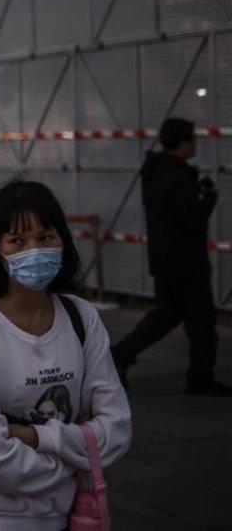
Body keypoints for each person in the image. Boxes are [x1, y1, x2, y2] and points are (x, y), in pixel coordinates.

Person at [0, 179, 131, 531]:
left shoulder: (81, 317)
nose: (35, 250)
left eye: (45, 237)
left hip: (66, 516)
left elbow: (116, 428)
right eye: (17, 241)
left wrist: (38, 437)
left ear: (63, 240)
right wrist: (76, 459)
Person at [112, 118, 228, 395]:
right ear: (183, 142)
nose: (196, 145)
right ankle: (201, 377)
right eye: (193, 140)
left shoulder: (155, 172)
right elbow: (193, 218)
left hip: (164, 260)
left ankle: (121, 354)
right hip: (187, 262)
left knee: (166, 315)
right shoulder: (177, 176)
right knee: (201, 321)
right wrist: (209, 197)